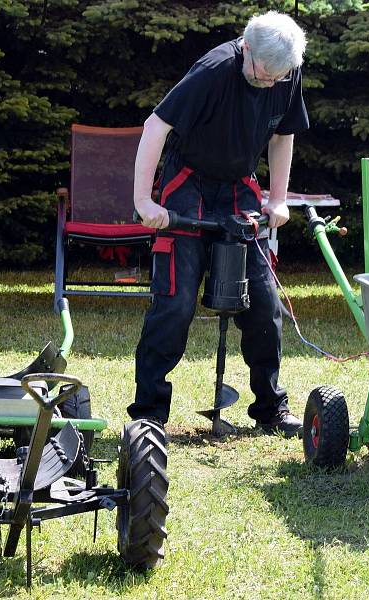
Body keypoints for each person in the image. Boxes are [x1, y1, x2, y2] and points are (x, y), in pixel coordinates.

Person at [128, 11, 308, 437]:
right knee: (175, 302)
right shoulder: (212, 71)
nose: (270, 84)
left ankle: (270, 409)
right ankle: (149, 412)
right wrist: (143, 201)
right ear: (245, 48)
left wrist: (277, 199)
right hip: (187, 184)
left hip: (238, 191)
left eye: (277, 79)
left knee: (264, 303)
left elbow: (283, 135)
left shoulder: (285, 72)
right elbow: (156, 126)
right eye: (263, 75)